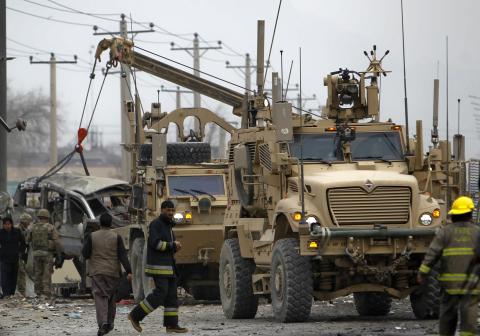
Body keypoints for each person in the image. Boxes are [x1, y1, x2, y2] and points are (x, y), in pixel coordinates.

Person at [418, 196, 480, 336]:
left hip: (450, 285)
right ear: (470, 214)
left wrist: (422, 272)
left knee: (447, 316)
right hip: (471, 285)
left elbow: (432, 254)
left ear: (453, 214)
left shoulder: (445, 232)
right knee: (469, 317)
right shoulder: (477, 233)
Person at [128, 200, 188, 333]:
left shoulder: (168, 226)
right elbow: (156, 244)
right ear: (162, 210)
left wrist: (174, 248)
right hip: (159, 267)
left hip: (169, 267)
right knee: (160, 294)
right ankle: (135, 315)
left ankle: (172, 325)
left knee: (172, 296)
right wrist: (172, 245)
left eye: (172, 211)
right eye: (168, 210)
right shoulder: (156, 224)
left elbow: (165, 246)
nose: (171, 213)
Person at [82, 213, 133, 336]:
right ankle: (109, 323)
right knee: (111, 298)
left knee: (100, 297)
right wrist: (129, 270)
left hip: (97, 272)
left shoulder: (92, 236)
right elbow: (122, 255)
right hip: (113, 272)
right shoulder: (116, 237)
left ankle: (103, 323)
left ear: (100, 223)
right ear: (111, 223)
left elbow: (85, 253)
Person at [28, 208, 60, 301]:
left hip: (36, 254)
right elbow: (57, 241)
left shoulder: (33, 227)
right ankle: (46, 293)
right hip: (47, 254)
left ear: (39, 217)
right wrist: (59, 254)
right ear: (47, 217)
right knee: (47, 273)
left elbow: (28, 239)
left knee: (38, 273)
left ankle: (38, 292)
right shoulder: (50, 227)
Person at [0, 217, 26, 297]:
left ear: (11, 224)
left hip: (15, 257)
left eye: (9, 224)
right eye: (5, 224)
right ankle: (6, 293)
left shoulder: (17, 232)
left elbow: (23, 243)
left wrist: (20, 252)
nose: (7, 226)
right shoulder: (1, 232)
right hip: (4, 258)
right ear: (3, 225)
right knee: (4, 276)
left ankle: (12, 293)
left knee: (14, 276)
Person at [17, 213, 32, 297]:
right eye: (28, 222)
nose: (29, 224)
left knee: (21, 272)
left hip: (22, 254)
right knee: (21, 272)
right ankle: (21, 292)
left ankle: (21, 291)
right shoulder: (17, 229)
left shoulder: (25, 230)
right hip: (16, 254)